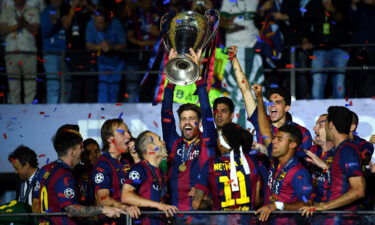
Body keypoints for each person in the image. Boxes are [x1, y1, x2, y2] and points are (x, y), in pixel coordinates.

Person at [161, 48, 217, 223]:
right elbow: (166, 112)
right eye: (183, 119)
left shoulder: (207, 142)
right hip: (175, 214)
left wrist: (198, 77)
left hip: (202, 215)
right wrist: (171, 78)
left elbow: (207, 110)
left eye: (192, 119)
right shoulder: (173, 142)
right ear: (179, 123)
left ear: (199, 123)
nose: (187, 122)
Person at [32, 125, 127, 225]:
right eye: (81, 147)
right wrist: (103, 209)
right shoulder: (64, 174)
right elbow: (72, 210)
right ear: (73, 153)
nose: (83, 150)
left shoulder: (46, 170)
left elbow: (36, 203)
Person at [228, 45, 312, 152]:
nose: (272, 105)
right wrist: (234, 59)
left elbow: (306, 162)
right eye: (270, 102)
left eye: (278, 102)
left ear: (287, 107)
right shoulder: (261, 122)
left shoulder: (301, 132)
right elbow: (245, 90)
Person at [301, 106, 365, 223]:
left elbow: (358, 190)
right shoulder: (341, 149)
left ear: (330, 125)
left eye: (324, 124)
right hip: (333, 218)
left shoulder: (347, 150)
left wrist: (325, 206)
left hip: (342, 219)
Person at [192, 123, 261, 224]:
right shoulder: (252, 162)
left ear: (220, 143)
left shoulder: (210, 164)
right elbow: (256, 200)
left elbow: (196, 204)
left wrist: (209, 200)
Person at [255, 124, 313, 224]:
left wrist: (277, 206)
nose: (273, 141)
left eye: (279, 139)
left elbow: (307, 203)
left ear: (292, 145)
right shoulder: (275, 163)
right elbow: (263, 127)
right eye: (274, 138)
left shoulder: (298, 172)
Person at [122, 131, 178, 225]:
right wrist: (159, 205)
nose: (164, 142)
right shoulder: (140, 169)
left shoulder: (161, 173)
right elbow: (126, 196)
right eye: (160, 140)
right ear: (151, 148)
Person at [92, 118, 140, 224]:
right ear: (109, 139)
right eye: (122, 133)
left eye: (129, 132)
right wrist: (125, 207)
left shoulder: (128, 159)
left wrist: (137, 158)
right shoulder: (103, 164)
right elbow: (103, 199)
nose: (129, 136)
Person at [302, 0, 351, 99]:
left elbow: (347, 22)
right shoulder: (313, 3)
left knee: (339, 83)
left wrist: (332, 9)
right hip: (319, 49)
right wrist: (305, 40)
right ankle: (316, 112)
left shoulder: (342, 2)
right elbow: (305, 24)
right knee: (317, 82)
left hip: (339, 49)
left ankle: (340, 112)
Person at [0, 0, 39, 104]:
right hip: (11, 53)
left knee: (30, 84)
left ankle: (30, 111)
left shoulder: (33, 10)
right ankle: (15, 111)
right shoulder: (6, 11)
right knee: (13, 85)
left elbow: (36, 30)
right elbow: (2, 29)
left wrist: (25, 23)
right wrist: (18, 25)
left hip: (29, 52)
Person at [86, 7, 127, 103]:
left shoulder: (116, 25)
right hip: (101, 63)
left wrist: (111, 47)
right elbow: (88, 45)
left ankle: (112, 116)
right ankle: (102, 116)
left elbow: (124, 45)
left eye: (100, 23)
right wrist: (100, 47)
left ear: (107, 22)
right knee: (102, 89)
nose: (96, 26)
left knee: (114, 90)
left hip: (117, 63)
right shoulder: (90, 24)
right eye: (95, 22)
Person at [62, 0, 97, 103]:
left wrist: (87, 5)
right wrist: (73, 7)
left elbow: (101, 18)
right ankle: (74, 111)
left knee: (90, 83)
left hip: (90, 51)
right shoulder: (66, 6)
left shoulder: (89, 4)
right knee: (76, 83)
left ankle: (92, 112)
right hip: (73, 52)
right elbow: (66, 25)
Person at [40, 0, 68, 103]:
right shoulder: (46, 11)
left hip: (64, 54)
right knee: (53, 84)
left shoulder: (66, 10)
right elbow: (44, 32)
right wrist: (53, 23)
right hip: (50, 53)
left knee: (66, 84)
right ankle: (51, 113)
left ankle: (64, 112)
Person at [73, 138, 100, 206]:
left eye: (96, 151)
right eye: (88, 152)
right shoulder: (75, 172)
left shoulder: (106, 170)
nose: (94, 155)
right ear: (82, 154)